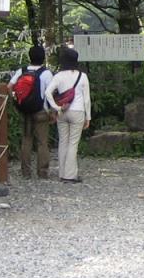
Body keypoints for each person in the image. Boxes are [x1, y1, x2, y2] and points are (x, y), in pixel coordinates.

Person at [44, 46, 91, 183]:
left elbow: (47, 92)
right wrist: (88, 117)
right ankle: (70, 175)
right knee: (73, 143)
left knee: (63, 142)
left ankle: (62, 173)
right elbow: (86, 99)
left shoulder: (58, 76)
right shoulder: (82, 76)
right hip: (78, 111)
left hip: (62, 112)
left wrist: (56, 107)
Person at [9, 43, 54, 180]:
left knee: (26, 140)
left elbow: (9, 86)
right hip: (41, 112)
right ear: (43, 57)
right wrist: (52, 112)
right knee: (42, 142)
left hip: (25, 111)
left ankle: (26, 172)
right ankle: (42, 172)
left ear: (30, 57)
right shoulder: (46, 73)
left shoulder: (22, 71)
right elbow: (51, 94)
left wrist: (16, 101)